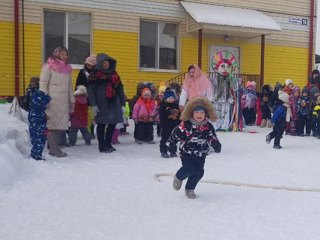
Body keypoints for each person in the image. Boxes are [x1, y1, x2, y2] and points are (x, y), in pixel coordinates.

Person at [167, 97, 221, 199]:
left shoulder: (208, 126)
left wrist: (215, 143)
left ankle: (190, 188)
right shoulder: (186, 125)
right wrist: (171, 145)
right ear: (192, 113)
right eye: (196, 112)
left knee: (199, 172)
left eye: (201, 113)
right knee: (189, 169)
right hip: (187, 152)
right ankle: (178, 177)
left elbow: (211, 136)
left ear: (206, 114)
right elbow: (175, 134)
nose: (199, 115)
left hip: (201, 153)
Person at [39, 46, 74, 157]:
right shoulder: (48, 66)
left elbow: (69, 86)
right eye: (61, 54)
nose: (64, 56)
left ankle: (54, 147)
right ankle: (54, 149)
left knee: (60, 126)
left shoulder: (68, 69)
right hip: (52, 101)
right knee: (52, 125)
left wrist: (71, 100)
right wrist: (44, 99)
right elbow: (43, 83)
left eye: (65, 54)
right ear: (56, 54)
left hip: (63, 102)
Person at [88, 53, 126, 153]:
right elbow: (91, 91)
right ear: (100, 63)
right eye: (104, 63)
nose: (106, 65)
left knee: (112, 124)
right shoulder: (95, 75)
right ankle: (102, 145)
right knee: (101, 124)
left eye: (107, 63)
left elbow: (120, 89)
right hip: (101, 104)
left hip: (114, 103)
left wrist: (123, 103)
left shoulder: (114, 74)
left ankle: (108, 144)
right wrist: (93, 104)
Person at [28, 90, 51, 160]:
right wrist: (42, 129)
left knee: (39, 143)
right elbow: (35, 122)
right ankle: (36, 156)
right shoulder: (36, 111)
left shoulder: (38, 110)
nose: (46, 104)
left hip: (40, 130)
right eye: (45, 103)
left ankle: (36, 155)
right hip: (38, 131)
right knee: (38, 143)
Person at [159, 88, 180, 158]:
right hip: (166, 126)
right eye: (169, 98)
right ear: (165, 98)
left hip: (174, 125)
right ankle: (163, 151)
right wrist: (168, 112)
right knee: (165, 138)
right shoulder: (163, 106)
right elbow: (162, 115)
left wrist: (179, 121)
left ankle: (172, 151)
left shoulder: (176, 105)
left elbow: (178, 114)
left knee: (173, 139)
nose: (171, 99)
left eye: (172, 98)